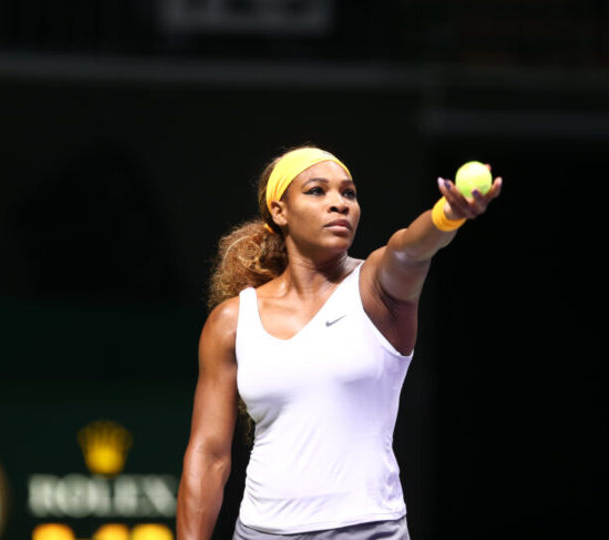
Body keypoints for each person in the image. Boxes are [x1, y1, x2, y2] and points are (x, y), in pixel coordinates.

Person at [176, 146, 502, 539]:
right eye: (317, 191)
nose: (339, 203)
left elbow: (410, 249)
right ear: (279, 211)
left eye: (348, 193)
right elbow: (208, 455)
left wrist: (446, 215)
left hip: (368, 529)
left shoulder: (378, 287)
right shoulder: (231, 321)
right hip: (260, 531)